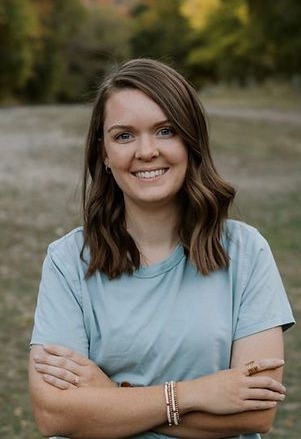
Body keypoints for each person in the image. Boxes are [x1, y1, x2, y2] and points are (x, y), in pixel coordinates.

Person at [28, 58, 295, 439]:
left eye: (165, 130)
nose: (146, 150)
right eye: (124, 136)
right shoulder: (68, 259)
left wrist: (110, 396)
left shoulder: (246, 251)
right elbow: (55, 414)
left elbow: (255, 415)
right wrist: (194, 394)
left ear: (190, 140)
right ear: (103, 153)